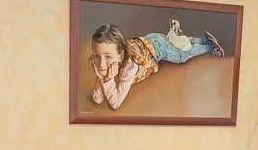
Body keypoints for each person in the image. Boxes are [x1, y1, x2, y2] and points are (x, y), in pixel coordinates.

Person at [89, 23, 223, 110]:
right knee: (175, 43)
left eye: (108, 57)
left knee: (181, 55)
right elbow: (97, 99)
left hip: (158, 48)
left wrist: (107, 79)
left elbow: (115, 103)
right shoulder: (105, 62)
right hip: (151, 40)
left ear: (120, 55)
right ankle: (202, 39)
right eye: (96, 56)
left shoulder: (129, 68)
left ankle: (208, 47)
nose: (101, 64)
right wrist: (101, 77)